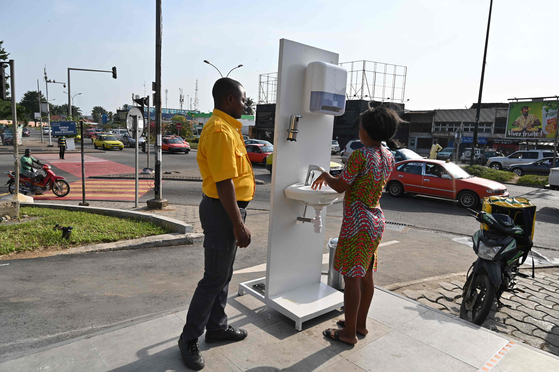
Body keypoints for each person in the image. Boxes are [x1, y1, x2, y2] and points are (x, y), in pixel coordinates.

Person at [178, 78, 254, 371]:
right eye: (243, 99)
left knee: (223, 275)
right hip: (223, 212)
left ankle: (218, 328)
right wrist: (238, 223)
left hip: (229, 211)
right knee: (214, 278)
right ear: (229, 99)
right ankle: (188, 339)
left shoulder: (229, 129)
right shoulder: (221, 131)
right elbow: (224, 183)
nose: (246, 105)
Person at [312, 104, 402, 345]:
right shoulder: (388, 156)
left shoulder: (361, 155)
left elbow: (341, 185)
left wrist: (325, 175)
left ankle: (348, 333)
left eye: (360, 126)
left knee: (352, 277)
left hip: (357, 223)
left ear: (366, 131)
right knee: (366, 276)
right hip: (375, 220)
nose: (358, 129)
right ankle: (359, 324)